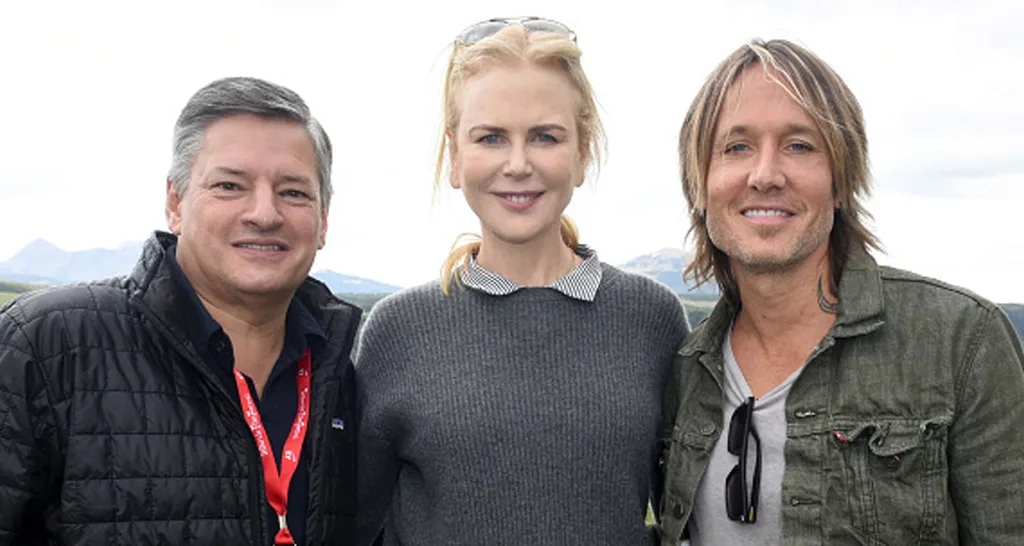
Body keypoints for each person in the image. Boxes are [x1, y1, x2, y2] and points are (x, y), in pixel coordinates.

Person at [657, 38, 1024, 545]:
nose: (765, 174)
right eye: (737, 147)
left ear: (839, 181)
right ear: (700, 184)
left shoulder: (962, 341)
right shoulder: (682, 369)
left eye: (799, 145)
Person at [354, 17, 689, 546]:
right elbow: (355, 524)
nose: (517, 163)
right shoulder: (397, 331)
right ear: (456, 158)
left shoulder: (651, 319)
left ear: (581, 155)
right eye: (490, 137)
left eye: (544, 137)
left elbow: (683, 515)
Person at [0, 77, 361, 545]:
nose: (264, 213)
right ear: (175, 203)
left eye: (293, 192)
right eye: (230, 185)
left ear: (323, 218)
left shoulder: (342, 375)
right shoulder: (48, 348)